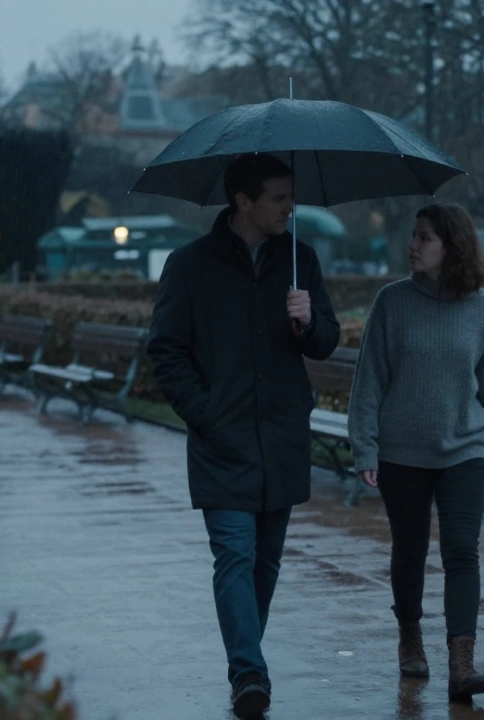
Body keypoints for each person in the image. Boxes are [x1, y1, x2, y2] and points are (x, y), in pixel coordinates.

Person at [146, 153, 340, 719]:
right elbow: (166, 349)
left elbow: (326, 341)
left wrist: (309, 322)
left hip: (281, 439)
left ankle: (245, 658)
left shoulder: (300, 259)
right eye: (279, 198)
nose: (290, 207)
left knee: (265, 564)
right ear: (243, 201)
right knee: (234, 555)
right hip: (222, 441)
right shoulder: (190, 265)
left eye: (291, 196)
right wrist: (204, 412)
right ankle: (249, 673)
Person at [347, 204, 484, 702]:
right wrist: (365, 448)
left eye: (424, 237)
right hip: (402, 452)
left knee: (462, 551)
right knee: (410, 549)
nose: (412, 245)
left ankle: (462, 664)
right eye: (413, 235)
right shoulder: (392, 302)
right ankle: (410, 637)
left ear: (451, 247)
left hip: (465, 447)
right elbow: (369, 381)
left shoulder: (483, 307)